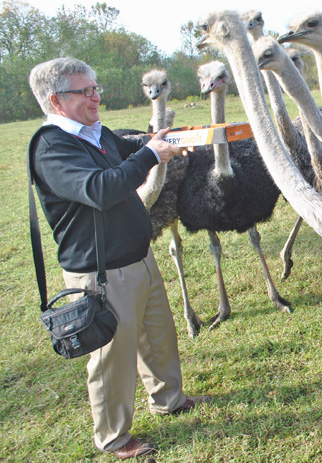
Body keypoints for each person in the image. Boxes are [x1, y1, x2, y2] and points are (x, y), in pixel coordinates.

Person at [28, 57, 210, 460]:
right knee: (113, 358)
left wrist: (166, 141)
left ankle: (169, 399)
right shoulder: (52, 147)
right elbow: (101, 188)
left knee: (158, 336)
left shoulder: (95, 133)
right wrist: (149, 156)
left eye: (96, 88)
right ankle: (113, 436)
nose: (96, 97)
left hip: (138, 259)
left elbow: (131, 149)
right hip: (102, 272)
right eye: (86, 91)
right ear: (57, 101)